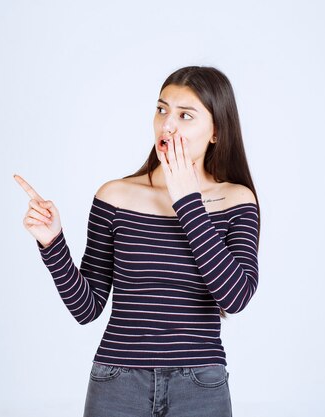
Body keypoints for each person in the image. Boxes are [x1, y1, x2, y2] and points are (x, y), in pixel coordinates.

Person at [14, 65, 260, 417]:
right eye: (161, 110)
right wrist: (53, 244)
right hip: (117, 382)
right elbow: (88, 309)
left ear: (216, 131)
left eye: (185, 115)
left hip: (201, 385)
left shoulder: (236, 201)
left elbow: (235, 297)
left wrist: (188, 202)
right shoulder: (116, 196)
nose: (167, 125)